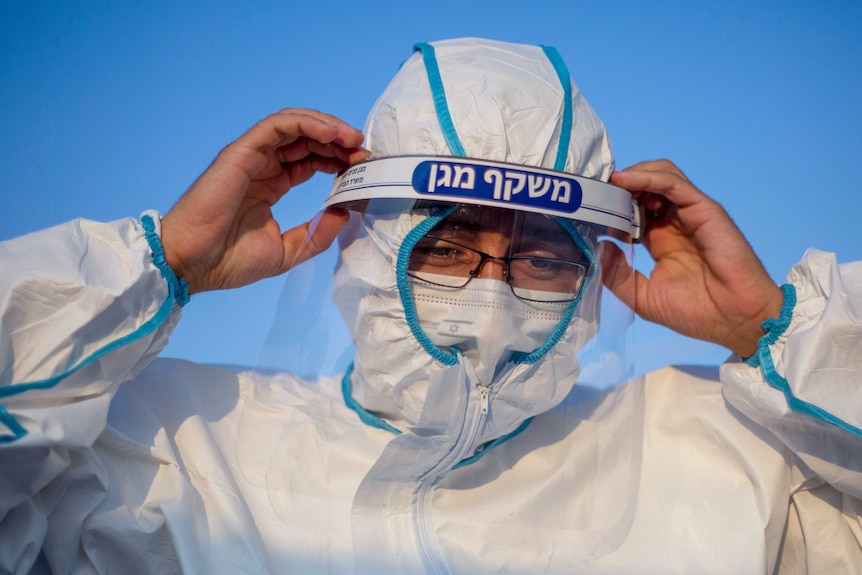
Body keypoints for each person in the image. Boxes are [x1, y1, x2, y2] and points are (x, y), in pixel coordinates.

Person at [1, 37, 860, 574]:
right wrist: (161, 263)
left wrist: (778, 331)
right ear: (367, 247)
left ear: (596, 274)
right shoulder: (164, 445)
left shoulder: (725, 457)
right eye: (444, 250)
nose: (491, 298)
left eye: (537, 257)